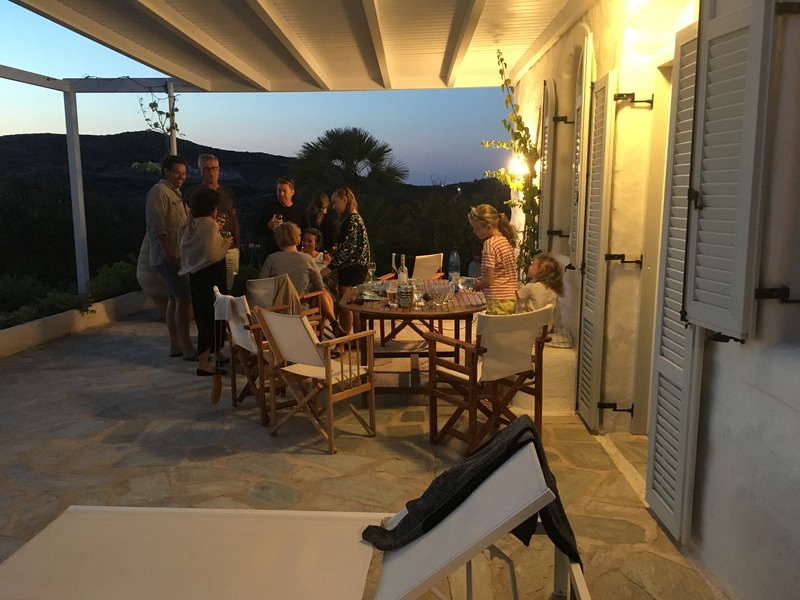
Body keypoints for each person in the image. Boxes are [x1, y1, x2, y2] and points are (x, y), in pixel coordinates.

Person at [145, 154, 197, 359]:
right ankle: (187, 347)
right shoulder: (159, 192)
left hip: (178, 256)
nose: (181, 176)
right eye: (177, 172)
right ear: (166, 171)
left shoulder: (176, 193)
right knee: (183, 300)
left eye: (184, 173)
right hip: (170, 257)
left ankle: (176, 345)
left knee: (174, 300)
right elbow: (157, 226)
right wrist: (169, 254)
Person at [178, 187, 232, 376]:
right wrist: (224, 245)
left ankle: (217, 353)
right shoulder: (208, 225)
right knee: (210, 317)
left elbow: (196, 248)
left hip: (197, 276)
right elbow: (211, 253)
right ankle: (203, 363)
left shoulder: (191, 222)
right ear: (210, 208)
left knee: (208, 316)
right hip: (211, 276)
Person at [260, 222, 341, 333]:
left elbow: (261, 284)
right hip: (300, 304)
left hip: (277, 306)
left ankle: (330, 326)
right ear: (297, 238)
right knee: (321, 293)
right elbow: (319, 285)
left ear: (278, 240)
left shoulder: (271, 259)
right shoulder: (306, 258)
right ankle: (326, 329)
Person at [184, 154, 240, 290]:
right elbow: (187, 219)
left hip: (230, 248)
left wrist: (238, 245)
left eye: (214, 168)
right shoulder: (193, 193)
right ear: (200, 171)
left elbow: (234, 218)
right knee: (210, 289)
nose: (211, 172)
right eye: (207, 169)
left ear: (219, 170)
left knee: (230, 288)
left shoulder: (227, 192)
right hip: (206, 250)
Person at [322, 187, 370, 336]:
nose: (333, 206)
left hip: (352, 268)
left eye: (335, 202)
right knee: (354, 306)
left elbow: (347, 250)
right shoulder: (357, 218)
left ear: (345, 200)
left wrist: (330, 267)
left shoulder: (351, 220)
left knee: (346, 306)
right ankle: (358, 340)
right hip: (358, 267)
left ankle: (345, 339)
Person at [467, 204, 518, 315]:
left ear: (488, 227)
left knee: (493, 327)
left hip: (497, 299)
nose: (474, 231)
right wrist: (483, 278)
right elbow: (502, 272)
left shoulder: (489, 244)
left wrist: (478, 285)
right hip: (510, 298)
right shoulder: (505, 241)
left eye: (476, 228)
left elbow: (489, 280)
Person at [257, 176, 310, 258]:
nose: (281, 194)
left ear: (292, 192)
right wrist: (269, 226)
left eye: (284, 191)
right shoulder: (269, 209)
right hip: (274, 254)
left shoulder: (301, 211)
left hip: (294, 255)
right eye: (279, 191)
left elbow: (307, 233)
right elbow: (258, 230)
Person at [516, 252, 564, 331]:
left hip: (529, 328)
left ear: (541, 270)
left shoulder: (531, 287)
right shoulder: (552, 289)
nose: (529, 266)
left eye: (532, 264)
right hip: (545, 329)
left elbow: (515, 298)